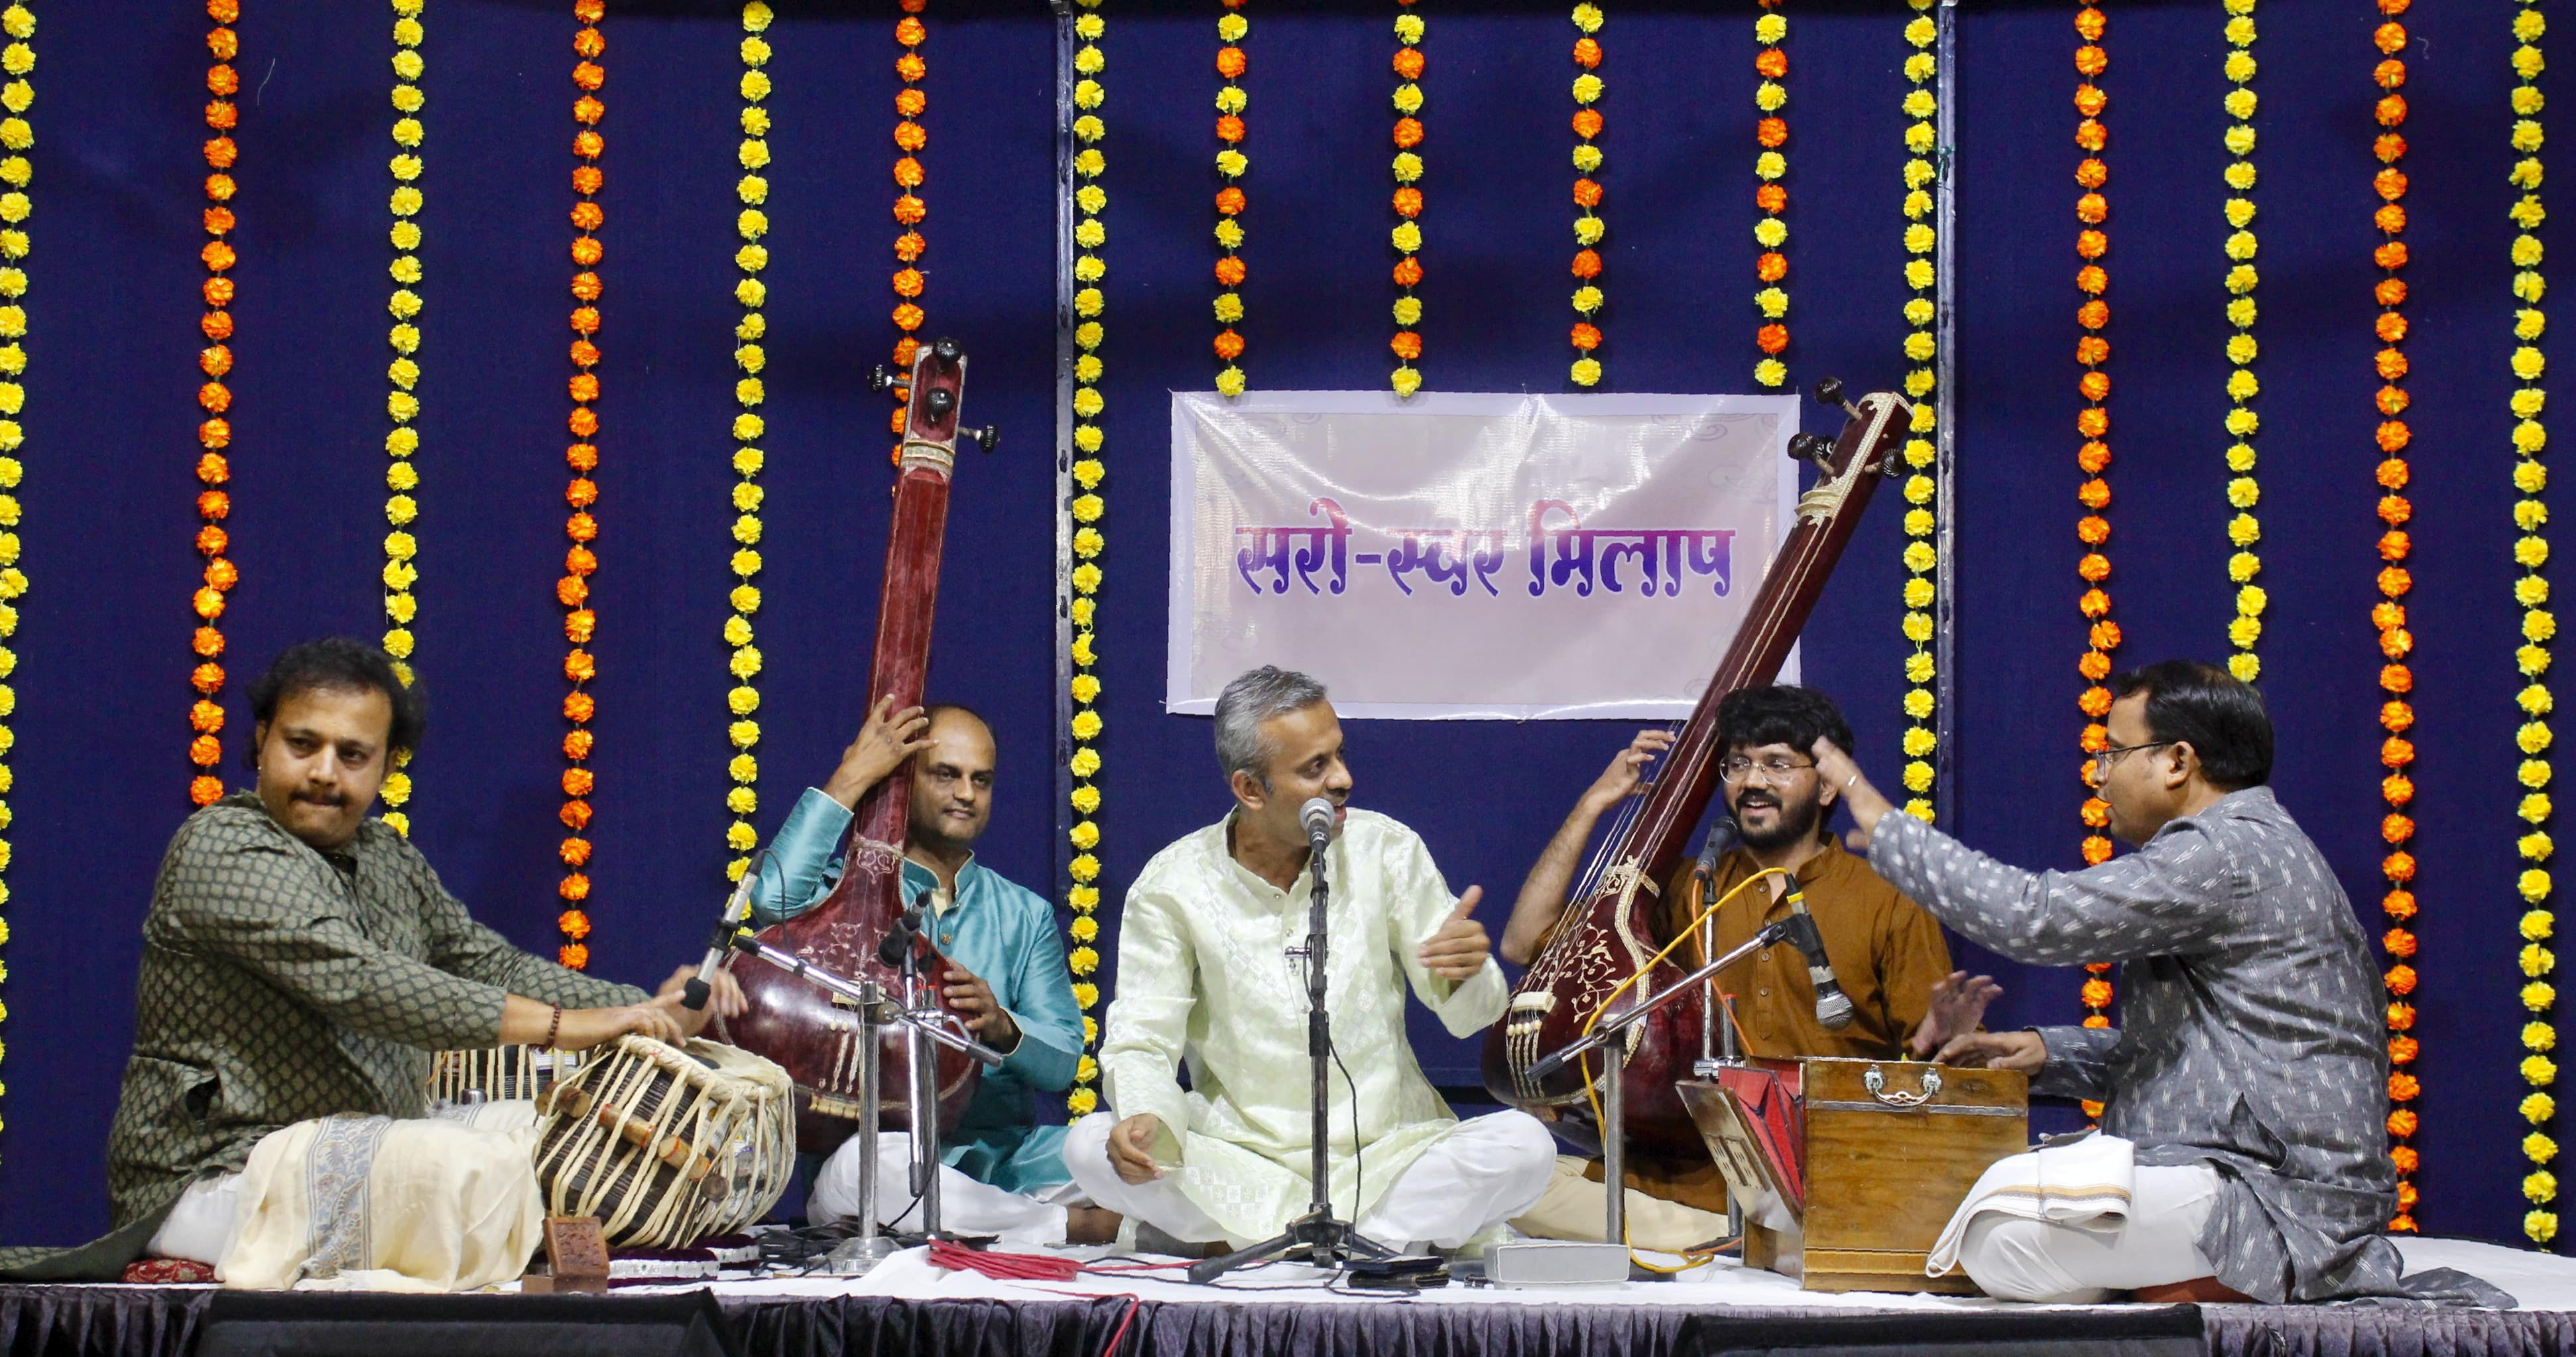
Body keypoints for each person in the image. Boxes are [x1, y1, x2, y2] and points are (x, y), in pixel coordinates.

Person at [0, 638, 738, 1289]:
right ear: (260, 742)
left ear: (386, 765)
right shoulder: (221, 848)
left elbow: (482, 961)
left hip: (367, 1145)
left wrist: (645, 1008)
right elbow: (360, 983)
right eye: (302, 744)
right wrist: (567, 1027)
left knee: (551, 1134)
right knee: (458, 1167)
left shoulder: (387, 856)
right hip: (220, 1178)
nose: (325, 772)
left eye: (353, 755)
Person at [1814, 659, 2506, 1307]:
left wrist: (1885, 825)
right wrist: (2043, 1053)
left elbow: (2036, 917)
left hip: (2275, 1199)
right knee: (1997, 1212)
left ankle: (2211, 1286)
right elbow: (2200, 1056)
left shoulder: (2226, 850)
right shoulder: (2246, 844)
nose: (2099, 775)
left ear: (2178, 761)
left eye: (2114, 753)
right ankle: (2172, 1284)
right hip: (2239, 1175)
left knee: (1998, 1232)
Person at [1066, 666, 1558, 1253]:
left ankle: (1278, 1247)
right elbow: (1143, 1037)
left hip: (1385, 1157)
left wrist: (1466, 971)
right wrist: (1147, 1122)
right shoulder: (1173, 885)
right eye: (1314, 768)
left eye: (1339, 755)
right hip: (1243, 1160)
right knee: (1089, 1146)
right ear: (1250, 790)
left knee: (1525, 1148)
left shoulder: (1385, 850)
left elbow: (1473, 1015)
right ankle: (1358, 1246)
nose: (1343, 779)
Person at [1499, 685, 1994, 1252]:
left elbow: (1944, 1070)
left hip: (1817, 1180)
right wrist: (1592, 805)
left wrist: (1949, 1044)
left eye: (1777, 764)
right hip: (1672, 1182)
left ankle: (1757, 1238)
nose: (1752, 782)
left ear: (1827, 784)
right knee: (1512, 1179)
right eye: (1737, 764)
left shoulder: (1885, 899)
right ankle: (1733, 1241)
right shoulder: (1687, 888)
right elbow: (1521, 942)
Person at [746, 697, 1103, 1246]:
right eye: (946, 775)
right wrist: (851, 778)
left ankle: (1002, 1223)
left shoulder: (1024, 914)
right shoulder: (845, 897)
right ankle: (1072, 1228)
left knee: (1107, 1143)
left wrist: (1003, 1027)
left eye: (980, 780)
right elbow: (772, 899)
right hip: (884, 1163)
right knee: (866, 1170)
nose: (966, 794)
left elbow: (1062, 1063)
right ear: (904, 781)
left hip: (1009, 1162)